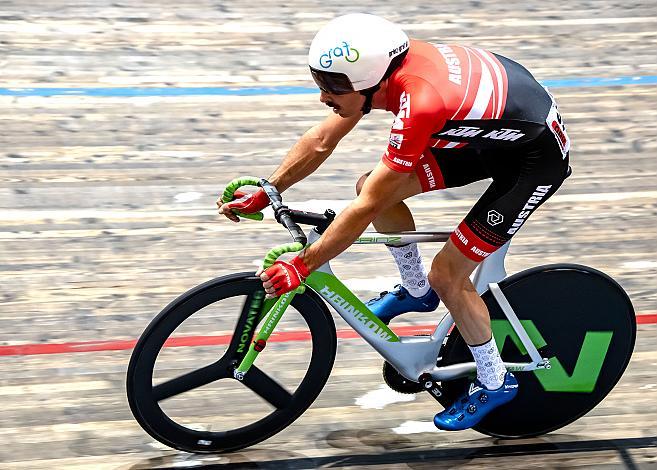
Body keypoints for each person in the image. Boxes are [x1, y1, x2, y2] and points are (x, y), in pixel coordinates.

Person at [218, 13, 570, 431]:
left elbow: (367, 209)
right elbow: (323, 139)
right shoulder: (382, 74)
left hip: (533, 161)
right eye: (320, 82)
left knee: (448, 275)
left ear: (371, 84)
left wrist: (303, 264)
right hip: (489, 135)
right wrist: (270, 187)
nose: (323, 97)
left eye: (332, 88)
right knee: (372, 183)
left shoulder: (419, 102)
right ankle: (416, 289)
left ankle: (495, 381)